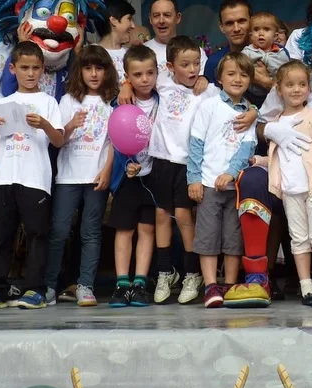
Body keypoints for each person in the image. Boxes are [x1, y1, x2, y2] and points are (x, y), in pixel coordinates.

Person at [149, 36, 240, 304]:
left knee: (183, 216)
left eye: (196, 64)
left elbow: (235, 104)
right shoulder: (162, 82)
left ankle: (192, 273)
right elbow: (136, 76)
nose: (192, 70)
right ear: (170, 67)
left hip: (189, 162)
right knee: (161, 214)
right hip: (162, 159)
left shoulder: (209, 90)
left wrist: (253, 113)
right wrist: (127, 86)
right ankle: (165, 271)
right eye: (185, 64)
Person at [0, 42, 65, 310]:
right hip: (4, 177)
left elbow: (59, 141)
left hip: (35, 177)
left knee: (37, 234)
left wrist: (45, 124)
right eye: (24, 68)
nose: (30, 73)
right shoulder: (3, 102)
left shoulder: (48, 102)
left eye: (35, 68)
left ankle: (35, 289)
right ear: (13, 69)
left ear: (43, 70)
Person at [262, 61, 312, 307]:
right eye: (289, 85)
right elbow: (279, 156)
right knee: (298, 239)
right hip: (290, 189)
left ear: (309, 87)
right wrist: (261, 160)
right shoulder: (275, 123)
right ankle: (307, 289)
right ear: (279, 89)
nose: (296, 89)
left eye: (302, 84)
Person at [45, 45, 117, 308]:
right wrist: (70, 125)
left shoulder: (112, 103)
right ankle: (49, 285)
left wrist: (106, 170)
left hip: (96, 176)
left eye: (99, 68)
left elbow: (114, 142)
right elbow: (57, 140)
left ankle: (85, 285)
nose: (94, 74)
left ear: (107, 72)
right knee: (59, 231)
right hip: (68, 176)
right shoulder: (68, 101)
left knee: (91, 232)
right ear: (79, 72)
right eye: (88, 68)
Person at [188, 52, 258, 308]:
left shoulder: (249, 112)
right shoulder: (210, 106)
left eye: (243, 75)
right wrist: (194, 179)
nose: (237, 79)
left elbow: (247, 148)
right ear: (219, 78)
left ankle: (229, 286)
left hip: (235, 186)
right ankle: (210, 286)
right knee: (207, 237)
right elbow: (196, 143)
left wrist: (231, 173)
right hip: (208, 183)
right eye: (231, 73)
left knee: (233, 238)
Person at [107, 45, 159, 308]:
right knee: (125, 229)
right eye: (137, 75)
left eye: (150, 73)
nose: (145, 79)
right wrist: (127, 163)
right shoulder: (121, 102)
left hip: (153, 175)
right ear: (127, 76)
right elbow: (116, 136)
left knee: (147, 228)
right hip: (126, 177)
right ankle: (121, 284)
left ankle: (140, 283)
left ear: (158, 72)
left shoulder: (164, 99)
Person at [144, 0, 207, 87]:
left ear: (178, 18)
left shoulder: (195, 52)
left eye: (167, 15)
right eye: (156, 15)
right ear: (150, 19)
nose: (161, 21)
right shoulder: (141, 52)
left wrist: (203, 78)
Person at [96, 0, 135, 83]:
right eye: (129, 19)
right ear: (113, 20)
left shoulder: (132, 54)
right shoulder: (92, 53)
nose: (133, 25)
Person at [241, 11, 289, 75]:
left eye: (266, 29)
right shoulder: (246, 52)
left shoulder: (281, 54)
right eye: (256, 29)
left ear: (275, 36)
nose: (261, 33)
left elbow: (287, 75)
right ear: (251, 36)